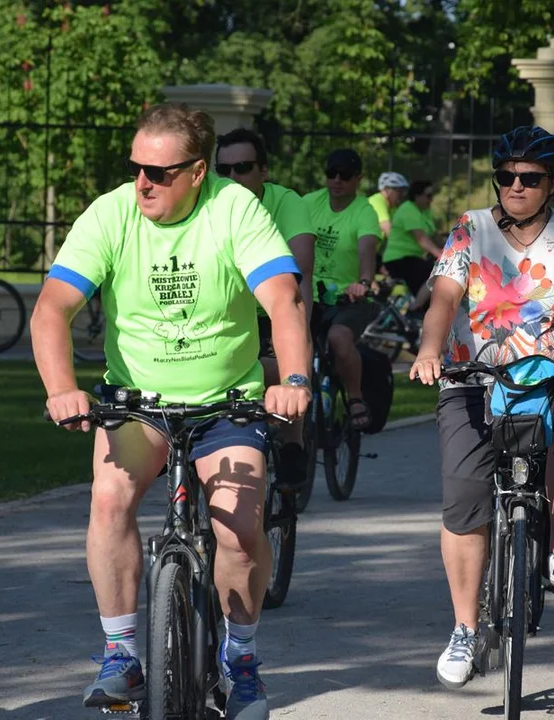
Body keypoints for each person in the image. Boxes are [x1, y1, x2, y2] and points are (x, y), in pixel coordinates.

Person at [30, 103, 310, 718]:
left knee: (238, 531)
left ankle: (241, 660)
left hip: (226, 404)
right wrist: (61, 389)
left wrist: (291, 379)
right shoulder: (110, 214)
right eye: (136, 169)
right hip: (138, 404)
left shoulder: (235, 209)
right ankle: (122, 654)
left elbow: (283, 302)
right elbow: (52, 308)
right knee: (109, 501)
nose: (143, 183)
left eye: (159, 172)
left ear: (198, 171)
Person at [408, 125, 554, 690]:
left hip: (553, 368)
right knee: (464, 497)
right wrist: (430, 351)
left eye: (530, 178)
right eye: (506, 176)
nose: (516, 186)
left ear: (553, 183)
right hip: (471, 373)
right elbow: (445, 299)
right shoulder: (470, 228)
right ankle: (463, 628)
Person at [214, 126, 316, 487]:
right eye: (223, 171)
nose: (232, 178)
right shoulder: (208, 206)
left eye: (242, 168)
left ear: (263, 171)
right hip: (228, 315)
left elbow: (300, 272)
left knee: (279, 370)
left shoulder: (287, 202)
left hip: (273, 311)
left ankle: (292, 443)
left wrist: (295, 325)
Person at [303, 149, 382, 430]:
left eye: (345, 176)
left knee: (338, 337)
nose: (337, 180)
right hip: (309, 294)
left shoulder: (364, 212)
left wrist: (362, 282)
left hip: (349, 297)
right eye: (331, 174)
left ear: (358, 179)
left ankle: (355, 397)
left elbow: (367, 250)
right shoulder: (308, 203)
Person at [382, 179, 442, 313]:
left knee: (434, 272)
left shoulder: (424, 211)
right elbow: (422, 239)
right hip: (398, 259)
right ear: (417, 196)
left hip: (412, 259)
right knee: (437, 274)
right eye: (428, 196)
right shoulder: (408, 209)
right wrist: (441, 254)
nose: (431, 200)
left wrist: (456, 246)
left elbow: (434, 236)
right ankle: (415, 310)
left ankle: (420, 309)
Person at [368, 171, 410, 252]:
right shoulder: (377, 201)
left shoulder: (392, 208)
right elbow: (388, 229)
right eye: (399, 191)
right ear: (388, 190)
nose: (402, 195)